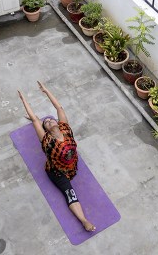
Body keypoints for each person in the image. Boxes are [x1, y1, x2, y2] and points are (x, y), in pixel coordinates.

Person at [17, 81, 96, 232]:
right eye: (46, 122)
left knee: (49, 116)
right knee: (70, 194)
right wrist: (24, 100)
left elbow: (59, 107)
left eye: (51, 119)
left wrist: (46, 91)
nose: (50, 120)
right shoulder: (47, 141)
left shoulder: (65, 128)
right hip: (57, 172)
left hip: (72, 165)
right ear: (45, 129)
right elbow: (35, 120)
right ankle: (84, 221)